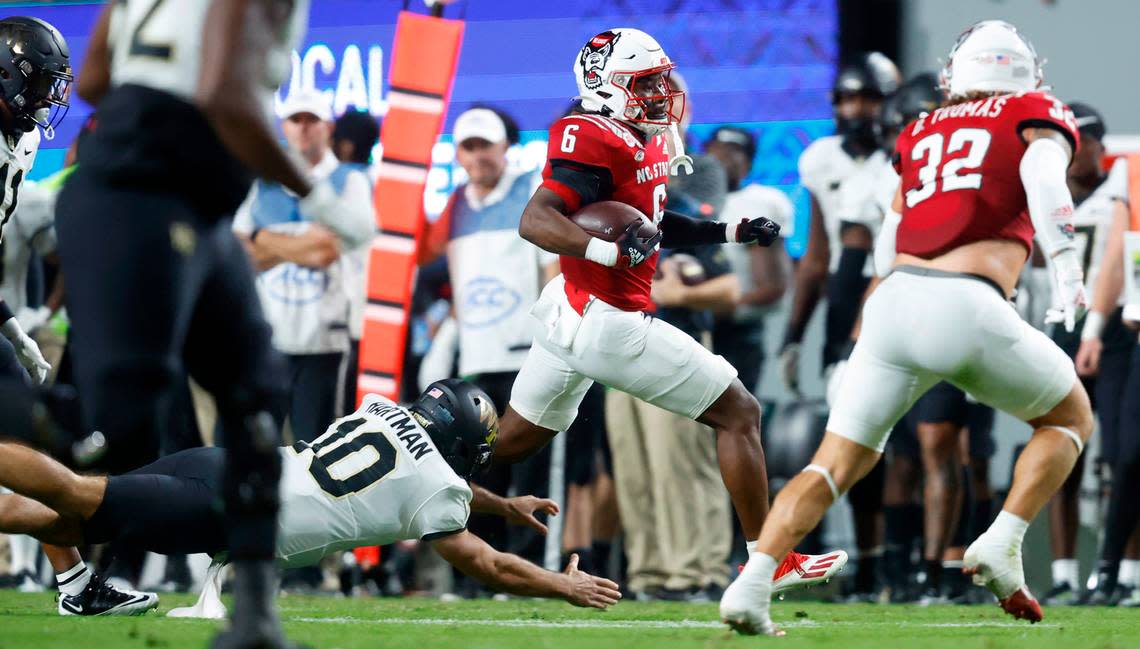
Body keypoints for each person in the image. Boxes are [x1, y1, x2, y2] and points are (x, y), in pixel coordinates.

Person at [721, 20, 1094, 634]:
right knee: (1068, 419)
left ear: (957, 74)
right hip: (967, 302)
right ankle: (1002, 540)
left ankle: (753, 581)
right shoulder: (1035, 111)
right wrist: (1068, 272)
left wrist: (872, 316)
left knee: (833, 464)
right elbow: (1046, 180)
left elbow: (892, 233)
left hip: (894, 303)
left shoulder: (922, 127)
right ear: (1026, 72)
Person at [493, 27, 846, 598]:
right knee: (740, 413)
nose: (661, 92)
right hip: (610, 319)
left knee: (510, 441)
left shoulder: (648, 137)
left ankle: (411, 473)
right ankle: (768, 560)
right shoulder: (590, 134)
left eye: (661, 80)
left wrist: (729, 231)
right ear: (605, 87)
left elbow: (650, 224)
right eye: (646, 82)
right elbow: (536, 221)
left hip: (573, 315)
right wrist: (609, 250)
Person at [53, 1, 360, 646]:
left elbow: (92, 82)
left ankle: (252, 616)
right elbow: (226, 98)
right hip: (140, 195)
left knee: (257, 391)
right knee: (114, 423)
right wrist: (319, 195)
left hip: (189, 201)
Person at [0, 380, 621, 616]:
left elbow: (423, 474)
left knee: (73, 511)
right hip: (228, 511)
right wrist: (558, 585)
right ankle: (77, 586)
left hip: (223, 466)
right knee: (77, 495)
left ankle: (76, 587)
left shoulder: (381, 410)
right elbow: (485, 563)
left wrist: (502, 506)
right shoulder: (439, 489)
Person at [782, 52, 901, 597]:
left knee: (910, 444)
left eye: (868, 98)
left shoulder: (901, 157)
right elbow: (817, 255)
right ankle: (872, 563)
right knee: (854, 438)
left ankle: (910, 561)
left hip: (899, 295)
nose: (856, 109)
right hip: (844, 299)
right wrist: (794, 333)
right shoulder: (822, 158)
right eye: (848, 99)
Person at [233, 88, 375, 445]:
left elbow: (326, 252)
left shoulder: (350, 180)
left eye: (311, 120)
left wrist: (263, 238)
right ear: (284, 126)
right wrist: (304, 244)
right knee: (254, 446)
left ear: (328, 127)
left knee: (318, 450)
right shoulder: (261, 182)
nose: (303, 128)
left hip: (324, 340)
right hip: (269, 337)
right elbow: (239, 251)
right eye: (296, 120)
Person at [1033, 101, 1124, 605]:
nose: (1069, 154)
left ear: (1098, 146)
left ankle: (1118, 574)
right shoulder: (1047, 195)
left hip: (1112, 334)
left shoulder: (1121, 192)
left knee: (1121, 458)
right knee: (1060, 449)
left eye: (1078, 142)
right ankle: (1067, 573)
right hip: (1061, 331)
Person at [1074, 131, 1140, 607]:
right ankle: (1109, 570)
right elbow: (1117, 253)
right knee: (1129, 455)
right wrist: (1095, 327)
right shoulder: (1131, 169)